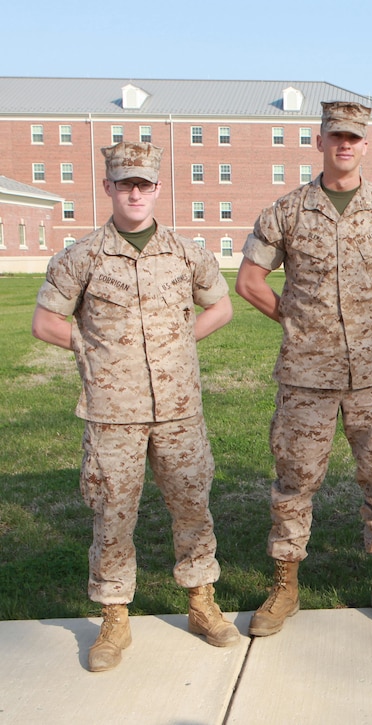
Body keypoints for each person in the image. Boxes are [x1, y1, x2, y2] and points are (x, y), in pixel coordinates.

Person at [31, 141, 238, 672]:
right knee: (113, 513)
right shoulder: (81, 257)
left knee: (192, 507)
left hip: (178, 410)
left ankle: (201, 601)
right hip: (111, 413)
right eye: (126, 183)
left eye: (145, 183)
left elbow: (221, 306)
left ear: (158, 188)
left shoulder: (186, 252)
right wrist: (90, 350)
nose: (136, 192)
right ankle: (114, 616)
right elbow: (47, 321)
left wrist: (183, 344)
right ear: (108, 188)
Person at [235, 101, 372, 636]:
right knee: (295, 481)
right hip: (305, 378)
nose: (344, 145)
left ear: (366, 146)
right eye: (335, 136)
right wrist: (295, 323)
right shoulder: (288, 211)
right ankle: (284, 585)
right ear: (319, 141)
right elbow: (250, 281)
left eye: (354, 138)